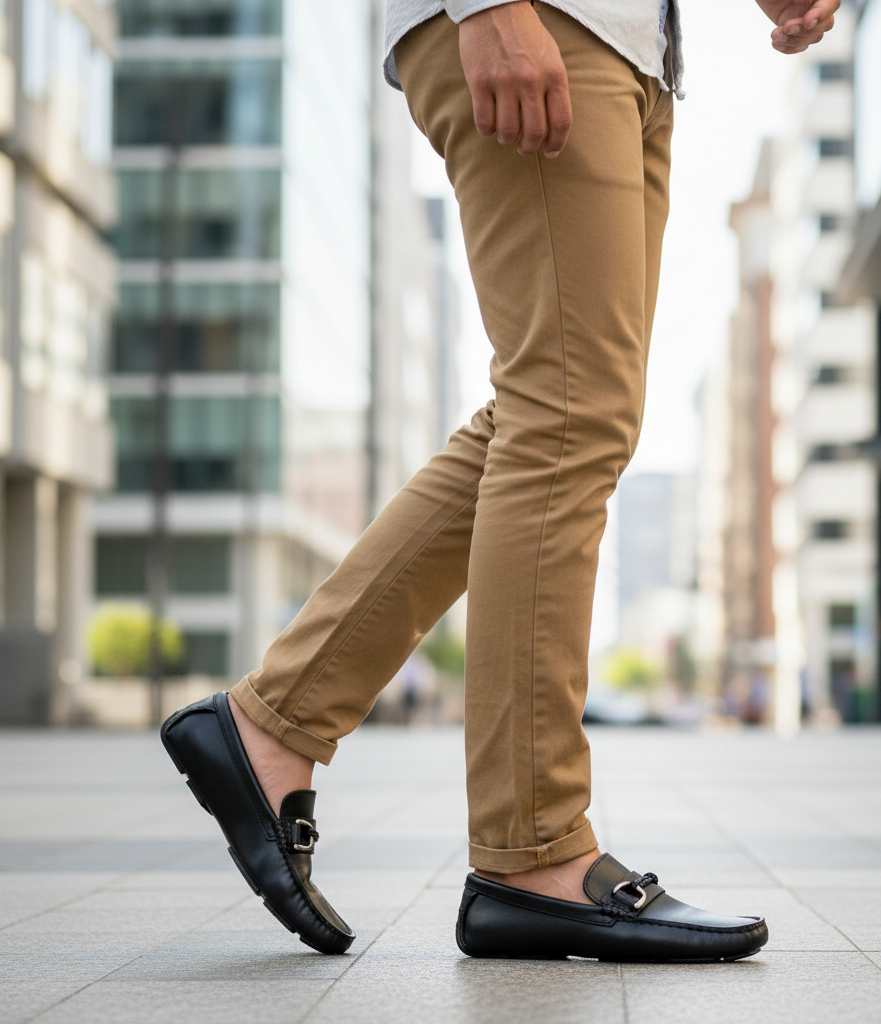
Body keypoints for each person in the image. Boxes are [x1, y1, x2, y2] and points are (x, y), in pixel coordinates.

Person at [161, 0, 840, 961]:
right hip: (540, 19)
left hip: (627, 47)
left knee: (560, 408)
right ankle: (534, 850)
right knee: (566, 408)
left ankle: (271, 725)